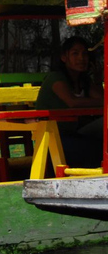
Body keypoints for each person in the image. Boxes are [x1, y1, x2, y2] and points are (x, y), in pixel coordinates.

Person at [35, 36, 104, 168]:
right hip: (57, 136)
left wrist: (97, 79)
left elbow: (102, 100)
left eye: (85, 54)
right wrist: (99, 102)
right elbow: (72, 102)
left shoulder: (84, 80)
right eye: (75, 53)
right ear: (64, 57)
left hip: (77, 132)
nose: (81, 58)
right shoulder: (55, 78)